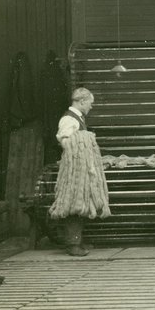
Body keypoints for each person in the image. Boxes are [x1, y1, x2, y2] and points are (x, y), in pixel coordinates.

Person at [48, 87, 111, 257]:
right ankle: (72, 244)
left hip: (81, 170)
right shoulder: (69, 120)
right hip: (73, 170)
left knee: (81, 204)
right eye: (90, 103)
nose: (91, 106)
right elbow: (66, 142)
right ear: (81, 101)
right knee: (74, 205)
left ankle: (77, 241)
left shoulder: (78, 119)